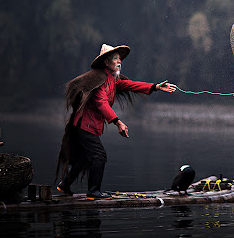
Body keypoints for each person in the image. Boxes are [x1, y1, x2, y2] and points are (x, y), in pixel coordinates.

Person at [55, 43, 176, 200]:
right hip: (85, 125)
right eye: (115, 59)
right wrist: (118, 122)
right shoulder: (98, 80)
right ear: (106, 62)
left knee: (86, 158)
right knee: (99, 156)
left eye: (120, 59)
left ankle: (65, 185)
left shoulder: (113, 80)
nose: (119, 62)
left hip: (89, 126)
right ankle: (93, 192)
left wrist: (156, 87)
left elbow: (131, 84)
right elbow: (101, 103)